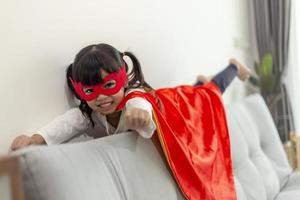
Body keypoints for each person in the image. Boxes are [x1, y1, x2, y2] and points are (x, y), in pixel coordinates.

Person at [10, 43, 251, 150]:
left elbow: (140, 105)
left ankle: (233, 68)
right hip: (166, 104)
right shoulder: (89, 114)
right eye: (90, 91)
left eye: (109, 85)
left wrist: (141, 117)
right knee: (197, 89)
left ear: (123, 79)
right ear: (80, 90)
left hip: (174, 108)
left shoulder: (135, 97)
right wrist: (34, 138)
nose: (101, 98)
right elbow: (64, 125)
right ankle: (198, 82)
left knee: (207, 95)